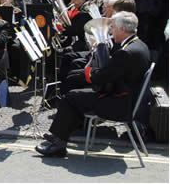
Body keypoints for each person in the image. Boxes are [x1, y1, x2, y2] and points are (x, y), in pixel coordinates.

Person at [35, 11, 150, 157]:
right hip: (125, 98)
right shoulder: (139, 45)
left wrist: (88, 71)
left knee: (71, 97)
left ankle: (59, 144)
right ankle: (60, 135)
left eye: (113, 27)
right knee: (78, 95)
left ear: (122, 29)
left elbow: (101, 77)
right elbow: (113, 72)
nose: (110, 31)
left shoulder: (126, 52)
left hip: (119, 103)